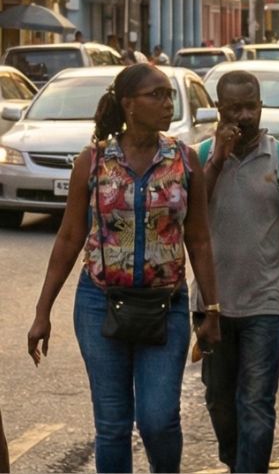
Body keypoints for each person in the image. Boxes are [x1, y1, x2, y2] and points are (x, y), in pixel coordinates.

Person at [27, 63, 221, 473]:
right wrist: (43, 311)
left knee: (158, 420)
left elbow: (200, 239)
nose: (167, 104)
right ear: (129, 104)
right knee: (112, 425)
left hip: (165, 307)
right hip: (100, 304)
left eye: (169, 95)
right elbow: (68, 238)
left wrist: (212, 309)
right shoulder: (93, 161)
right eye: (157, 95)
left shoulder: (184, 160)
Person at [197, 70, 279, 474]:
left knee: (257, 403)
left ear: (262, 106)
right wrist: (217, 159)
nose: (245, 116)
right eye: (235, 109)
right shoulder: (198, 158)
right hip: (212, 305)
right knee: (219, 399)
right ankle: (237, 463)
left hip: (267, 302)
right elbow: (188, 216)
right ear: (219, 109)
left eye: (252, 107)